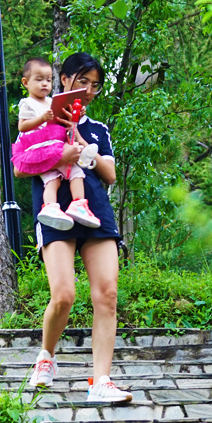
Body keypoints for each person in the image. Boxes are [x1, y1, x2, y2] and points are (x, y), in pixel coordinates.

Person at [19, 51, 132, 404]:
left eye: (95, 85)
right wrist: (60, 154)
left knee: (107, 295)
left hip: (94, 210)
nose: (87, 90)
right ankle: (46, 356)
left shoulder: (97, 128)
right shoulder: (40, 117)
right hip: (54, 212)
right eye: (82, 82)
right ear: (63, 80)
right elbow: (21, 166)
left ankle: (101, 380)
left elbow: (110, 174)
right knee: (64, 295)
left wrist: (82, 146)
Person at [13, 55, 101, 231]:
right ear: (25, 82)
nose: (45, 84)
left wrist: (77, 113)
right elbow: (22, 127)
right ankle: (50, 207)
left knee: (76, 173)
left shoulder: (52, 101)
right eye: (39, 80)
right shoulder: (27, 103)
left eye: (48, 80)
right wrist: (41, 118)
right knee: (52, 180)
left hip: (57, 144)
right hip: (40, 148)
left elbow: (62, 121)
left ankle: (79, 204)